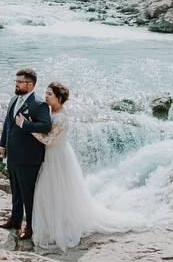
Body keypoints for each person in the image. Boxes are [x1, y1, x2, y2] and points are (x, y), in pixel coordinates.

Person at [29, 81, 138, 250]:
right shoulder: (53, 112)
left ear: (58, 98)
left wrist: (29, 128)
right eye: (46, 93)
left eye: (50, 94)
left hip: (57, 156)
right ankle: (53, 224)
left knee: (55, 190)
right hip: (56, 154)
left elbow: (49, 141)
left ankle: (59, 226)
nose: (46, 96)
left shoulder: (60, 117)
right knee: (52, 191)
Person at [0, 67, 52, 240]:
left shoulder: (39, 104)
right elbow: (7, 124)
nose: (17, 84)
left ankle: (31, 227)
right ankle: (15, 220)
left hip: (29, 158)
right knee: (16, 191)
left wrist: (25, 124)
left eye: (20, 82)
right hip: (12, 155)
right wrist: (2, 146)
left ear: (30, 84)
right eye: (16, 81)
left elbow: (46, 126)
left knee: (28, 194)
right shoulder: (14, 99)